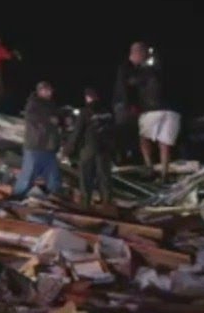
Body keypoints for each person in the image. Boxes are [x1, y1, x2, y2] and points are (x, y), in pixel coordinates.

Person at [114, 42, 179, 179]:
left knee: (144, 138)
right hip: (173, 111)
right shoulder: (162, 66)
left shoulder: (144, 69)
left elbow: (131, 82)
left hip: (152, 110)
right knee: (164, 143)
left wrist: (128, 105)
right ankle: (164, 173)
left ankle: (149, 167)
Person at [63, 87, 114, 206]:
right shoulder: (108, 112)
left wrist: (67, 150)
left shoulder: (85, 111)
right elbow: (113, 131)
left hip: (89, 148)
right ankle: (107, 203)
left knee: (86, 177)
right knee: (104, 176)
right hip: (105, 149)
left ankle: (86, 203)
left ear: (88, 98)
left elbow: (77, 133)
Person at [12, 81, 61, 197]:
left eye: (50, 90)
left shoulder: (51, 105)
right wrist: (49, 120)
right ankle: (17, 196)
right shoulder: (33, 104)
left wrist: (62, 121)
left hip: (49, 148)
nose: (50, 93)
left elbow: (57, 121)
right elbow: (32, 118)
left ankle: (54, 198)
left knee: (54, 177)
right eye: (47, 90)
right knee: (28, 176)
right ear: (40, 91)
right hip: (35, 146)